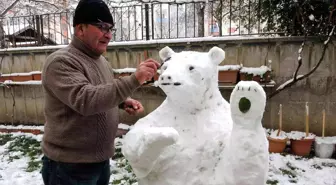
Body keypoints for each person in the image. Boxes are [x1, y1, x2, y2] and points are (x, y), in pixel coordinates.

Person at [40, 0, 160, 185]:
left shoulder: (100, 61)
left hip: (100, 162)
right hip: (69, 167)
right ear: (80, 29)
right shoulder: (61, 62)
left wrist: (122, 101)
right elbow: (85, 100)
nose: (108, 35)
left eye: (111, 28)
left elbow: (99, 90)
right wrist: (134, 80)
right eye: (102, 27)